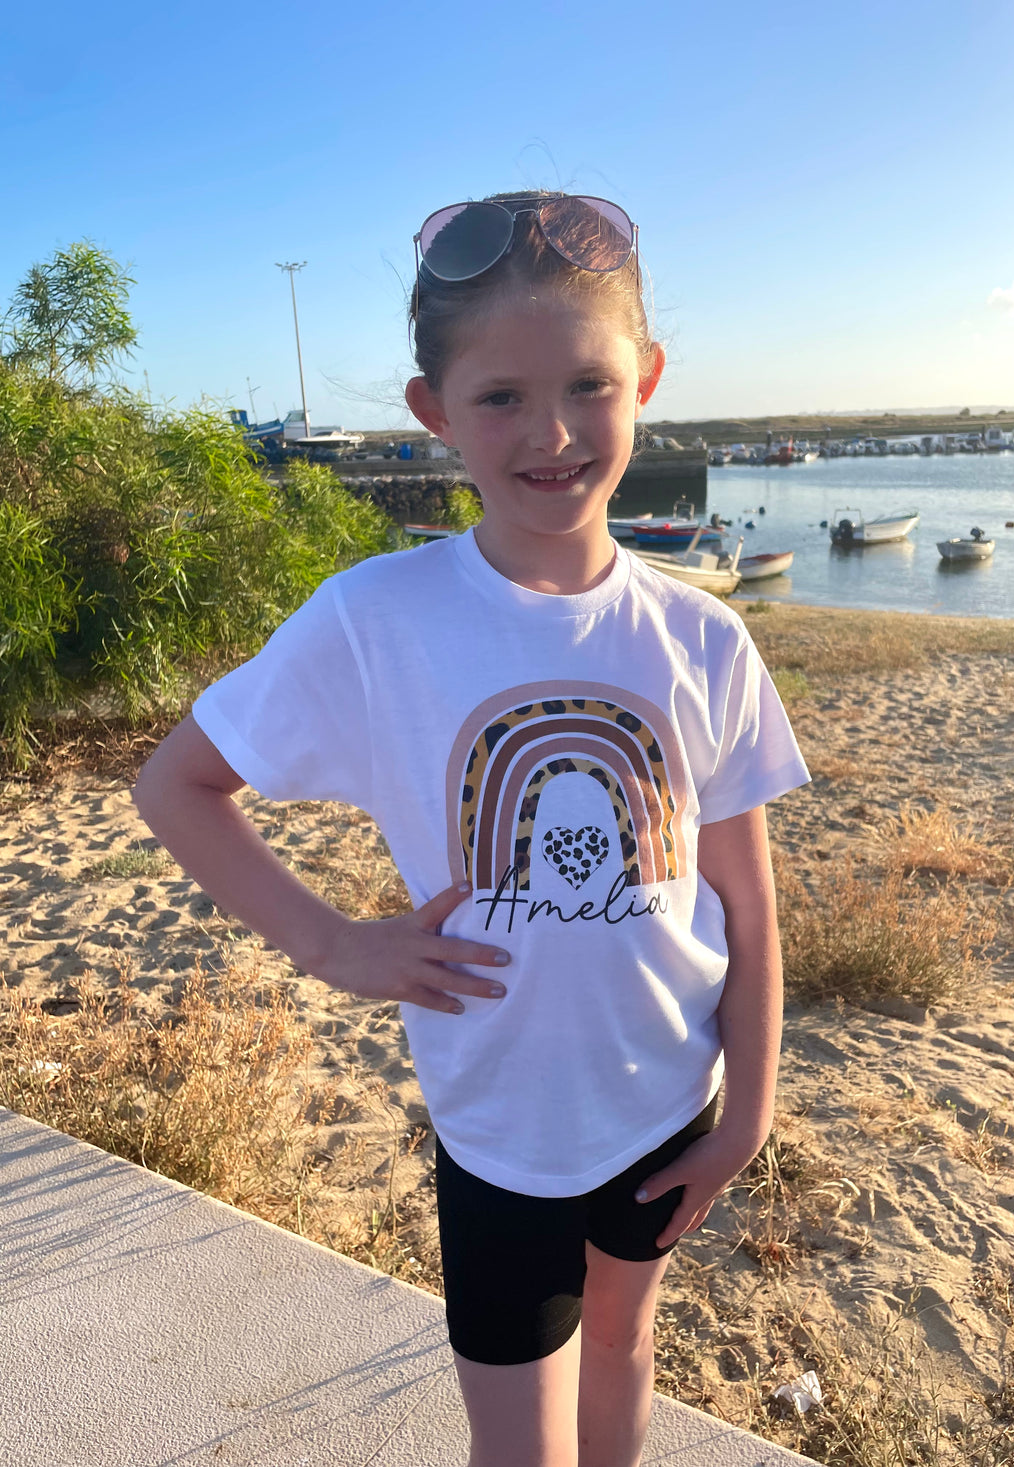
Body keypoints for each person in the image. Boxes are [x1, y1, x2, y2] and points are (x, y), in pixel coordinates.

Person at [133, 191, 810, 1467]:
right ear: (432, 411)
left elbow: (747, 904)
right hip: (496, 1126)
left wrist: (747, 1116)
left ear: (646, 382)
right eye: (499, 397)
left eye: (588, 387)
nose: (551, 433)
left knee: (620, 1344)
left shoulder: (703, 636)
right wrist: (333, 945)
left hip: (670, 1096)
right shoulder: (373, 618)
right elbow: (176, 786)